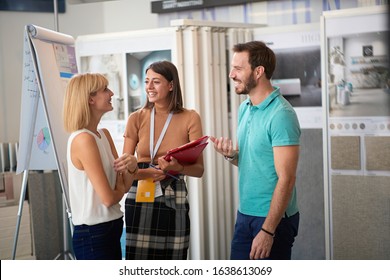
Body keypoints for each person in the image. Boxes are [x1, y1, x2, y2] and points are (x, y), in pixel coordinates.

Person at [211, 41, 301, 260]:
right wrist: (232, 155)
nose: (231, 74)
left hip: (272, 219)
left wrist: (268, 231)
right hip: (246, 213)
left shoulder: (281, 115)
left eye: (238, 69)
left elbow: (286, 179)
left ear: (259, 71)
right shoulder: (245, 108)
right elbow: (253, 161)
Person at [119, 60, 204, 260]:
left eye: (155, 82)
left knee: (174, 257)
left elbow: (199, 170)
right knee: (139, 260)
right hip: (140, 190)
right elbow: (124, 168)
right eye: (147, 81)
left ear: (171, 85)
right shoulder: (136, 118)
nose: (149, 87)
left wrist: (178, 167)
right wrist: (146, 173)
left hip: (173, 193)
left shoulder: (190, 117)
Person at [63, 73, 138, 260]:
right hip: (93, 235)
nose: (111, 93)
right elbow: (108, 198)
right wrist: (123, 181)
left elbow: (123, 185)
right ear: (90, 99)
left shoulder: (103, 134)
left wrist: (133, 166)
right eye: (105, 89)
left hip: (111, 228)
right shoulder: (83, 139)